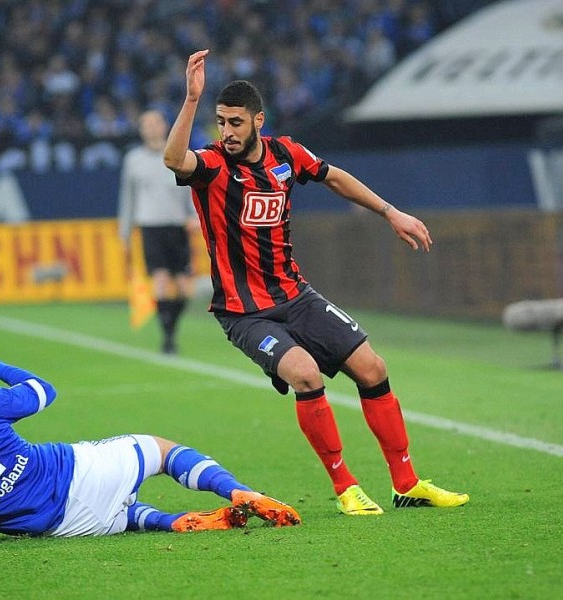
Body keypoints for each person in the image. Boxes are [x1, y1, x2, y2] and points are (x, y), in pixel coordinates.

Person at [163, 49, 469, 516]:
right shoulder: (211, 167)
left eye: (236, 123)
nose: (226, 132)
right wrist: (191, 100)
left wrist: (390, 212)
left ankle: (406, 483)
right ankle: (346, 487)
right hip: (244, 312)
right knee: (305, 374)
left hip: (295, 296)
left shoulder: (287, 154)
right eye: (221, 122)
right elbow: (172, 158)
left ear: (257, 122)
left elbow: (334, 177)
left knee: (373, 368)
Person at [0, 335, 300, 546]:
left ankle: (172, 523)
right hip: (73, 471)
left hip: (57, 526)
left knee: (123, 516)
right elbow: (44, 390)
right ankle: (236, 491)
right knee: (160, 450)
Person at [118, 109, 199, 354]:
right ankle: (168, 338)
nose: (151, 128)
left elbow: (191, 190)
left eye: (155, 123)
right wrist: (124, 232)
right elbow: (128, 197)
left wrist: (195, 217)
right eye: (146, 124)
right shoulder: (133, 160)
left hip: (177, 225)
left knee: (185, 286)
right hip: (150, 226)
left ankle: (170, 328)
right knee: (161, 280)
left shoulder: (178, 154)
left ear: (164, 126)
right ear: (141, 129)